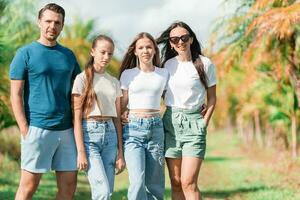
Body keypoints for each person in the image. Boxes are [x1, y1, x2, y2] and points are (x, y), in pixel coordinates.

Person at [9, 3, 81, 200]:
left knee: (68, 190)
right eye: (48, 21)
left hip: (66, 131)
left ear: (63, 25)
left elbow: (81, 90)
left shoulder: (68, 55)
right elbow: (15, 94)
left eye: (57, 22)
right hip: (37, 129)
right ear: (39, 22)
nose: (52, 26)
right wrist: (24, 128)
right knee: (28, 188)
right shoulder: (25, 53)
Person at [157, 21, 217, 200]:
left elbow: (212, 98)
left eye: (184, 37)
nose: (180, 42)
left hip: (194, 124)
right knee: (175, 182)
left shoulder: (205, 63)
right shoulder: (166, 65)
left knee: (188, 182)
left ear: (191, 39)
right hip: (170, 123)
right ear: (170, 43)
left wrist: (203, 123)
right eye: (175, 39)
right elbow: (157, 93)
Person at [71, 35, 125, 200]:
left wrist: (120, 153)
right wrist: (81, 152)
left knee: (106, 192)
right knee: (101, 191)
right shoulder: (81, 79)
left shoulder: (114, 82)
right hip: (90, 136)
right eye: (102, 52)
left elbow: (116, 119)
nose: (106, 57)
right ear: (93, 51)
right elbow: (77, 119)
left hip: (110, 136)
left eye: (110, 53)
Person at [119, 32, 169, 200]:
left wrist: (200, 104)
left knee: (155, 184)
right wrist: (119, 115)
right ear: (135, 51)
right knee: (137, 182)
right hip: (133, 130)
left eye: (149, 47)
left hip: (156, 129)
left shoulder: (163, 74)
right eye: (141, 47)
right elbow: (122, 102)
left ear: (155, 50)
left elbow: (173, 97)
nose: (145, 51)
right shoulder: (128, 74)